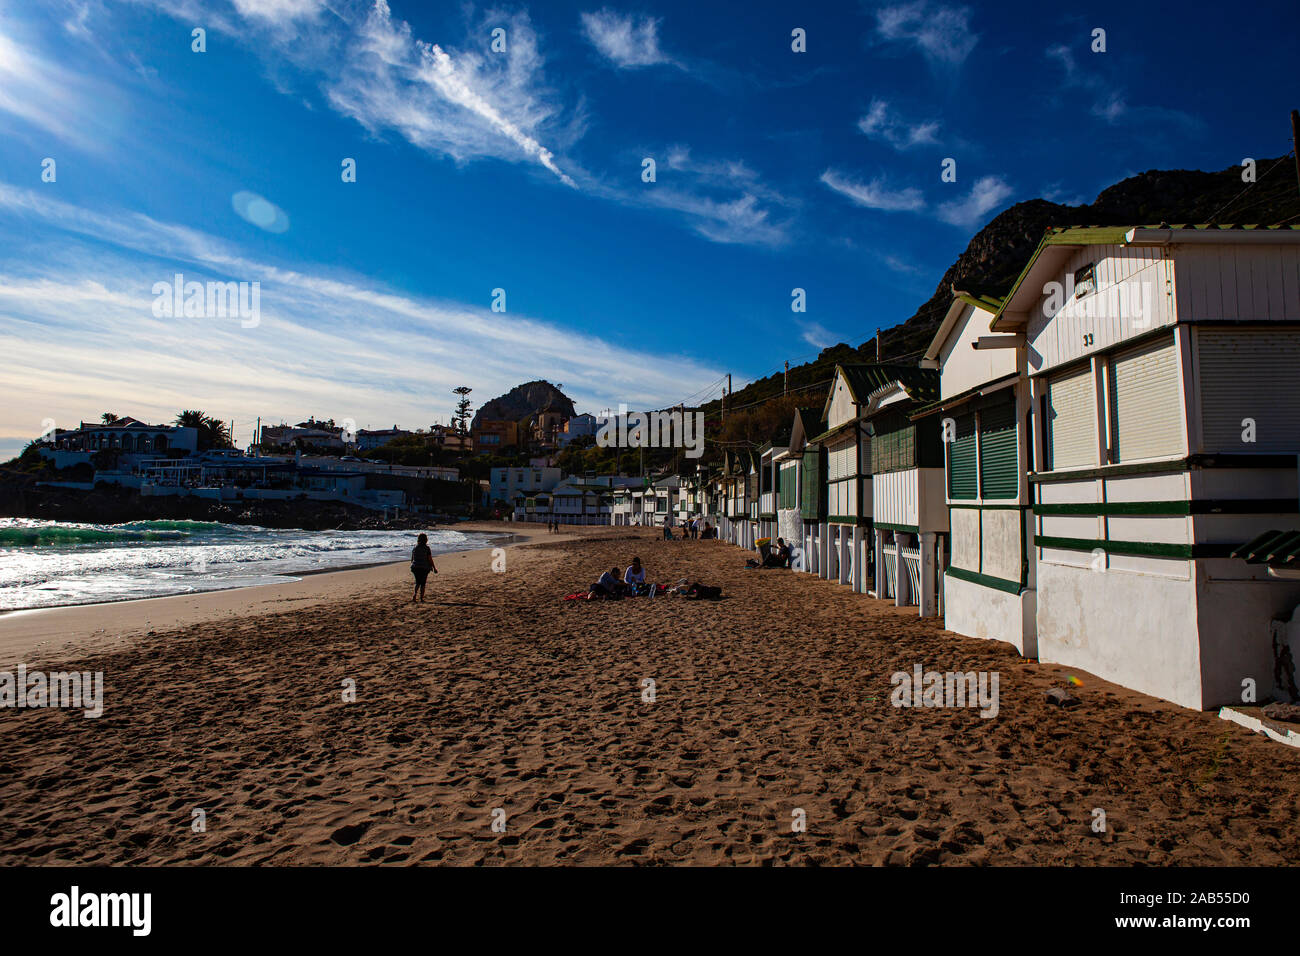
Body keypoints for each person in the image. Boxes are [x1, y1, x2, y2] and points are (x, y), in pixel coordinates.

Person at [410, 532, 437, 603]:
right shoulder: (427, 548)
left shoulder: (415, 548)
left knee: (417, 582)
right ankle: (421, 598)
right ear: (426, 540)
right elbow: (430, 559)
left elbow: (412, 559)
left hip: (415, 567)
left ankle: (415, 595)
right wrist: (434, 567)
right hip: (424, 567)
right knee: (423, 583)